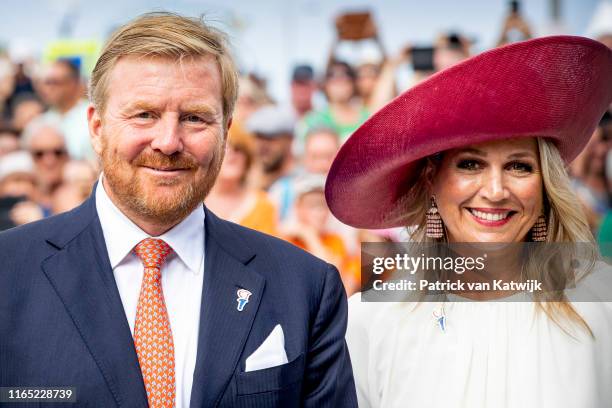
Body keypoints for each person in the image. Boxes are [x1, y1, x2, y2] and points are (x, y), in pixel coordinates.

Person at [0, 13, 357, 408]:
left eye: (194, 118)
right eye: (144, 115)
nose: (169, 142)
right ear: (97, 128)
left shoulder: (303, 288)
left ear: (225, 133)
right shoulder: (9, 272)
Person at [325, 36, 612, 407]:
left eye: (519, 166)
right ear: (431, 179)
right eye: (470, 164)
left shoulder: (601, 303)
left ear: (546, 185)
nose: (495, 190)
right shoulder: (372, 318)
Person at [205, 123, 278, 236]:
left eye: (238, 149)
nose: (232, 154)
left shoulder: (263, 204)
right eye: (225, 148)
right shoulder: (193, 203)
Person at [39, 59, 94, 161]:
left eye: (54, 82)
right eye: (46, 83)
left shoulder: (92, 116)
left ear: (73, 84)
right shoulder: (42, 121)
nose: (48, 88)